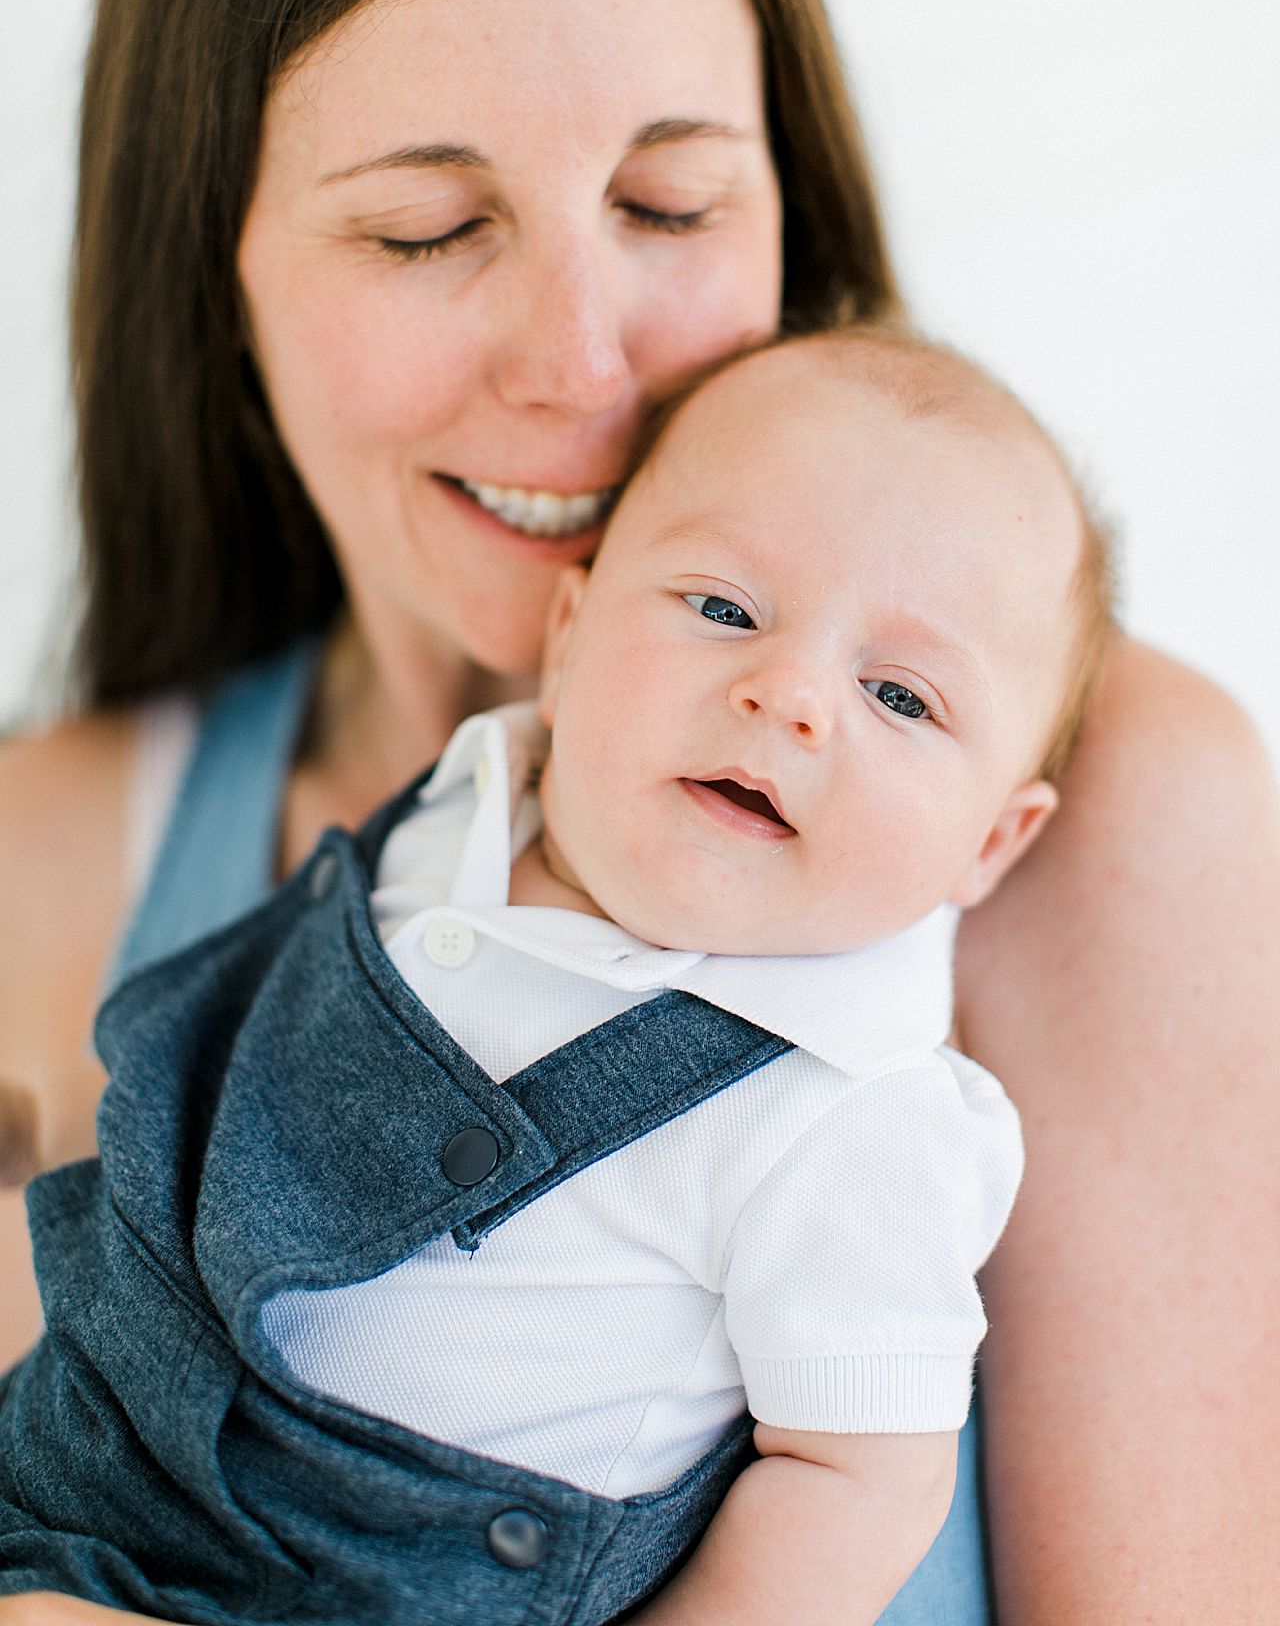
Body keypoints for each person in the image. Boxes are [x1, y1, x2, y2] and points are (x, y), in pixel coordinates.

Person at [0, 0, 1277, 1621]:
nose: (585, 367)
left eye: (672, 204)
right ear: (221, 263)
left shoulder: (1117, 815)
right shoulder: (43, 860)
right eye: (431, 229)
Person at [0, 327, 1111, 1624]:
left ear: (994, 841)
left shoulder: (859, 1109)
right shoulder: (460, 810)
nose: (791, 695)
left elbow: (857, 1475)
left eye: (903, 698)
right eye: (723, 608)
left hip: (404, 1583)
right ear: (572, 633)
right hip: (108, 1445)